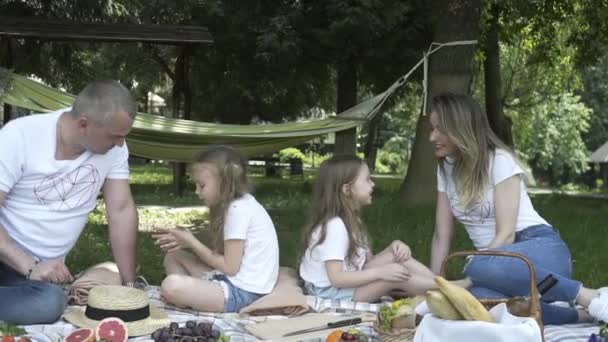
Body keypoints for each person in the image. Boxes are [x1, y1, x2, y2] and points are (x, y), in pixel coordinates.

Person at [428, 92, 608, 325]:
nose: (433, 137)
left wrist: (470, 276)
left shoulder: (498, 161)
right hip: (497, 267)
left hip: (541, 249)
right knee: (479, 300)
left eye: (440, 129)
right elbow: (441, 235)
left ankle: (586, 295)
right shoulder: (445, 170)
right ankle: (582, 315)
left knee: (476, 267)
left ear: (461, 128)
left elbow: (506, 234)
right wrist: (436, 285)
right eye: (432, 129)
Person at [0, 80, 140, 324]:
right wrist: (29, 265)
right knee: (49, 303)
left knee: (48, 302)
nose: (120, 143)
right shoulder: (20, 135)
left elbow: (121, 210)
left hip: (32, 279)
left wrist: (130, 286)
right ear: (83, 124)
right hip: (10, 258)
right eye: (114, 136)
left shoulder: (115, 149)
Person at [299, 155, 459, 303]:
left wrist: (392, 248)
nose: (373, 184)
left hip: (343, 284)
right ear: (347, 190)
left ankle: (443, 287)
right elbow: (337, 279)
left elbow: (365, 263)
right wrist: (380, 273)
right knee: (396, 277)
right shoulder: (334, 226)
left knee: (398, 257)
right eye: (367, 180)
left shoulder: (352, 220)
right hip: (329, 292)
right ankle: (453, 290)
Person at [155, 146, 279, 313]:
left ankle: (185, 298)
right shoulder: (239, 204)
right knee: (173, 256)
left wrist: (191, 242)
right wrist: (186, 241)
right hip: (232, 280)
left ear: (225, 182)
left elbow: (230, 267)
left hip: (244, 293)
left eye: (202, 185)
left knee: (171, 285)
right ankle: (189, 298)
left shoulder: (238, 210)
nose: (197, 191)